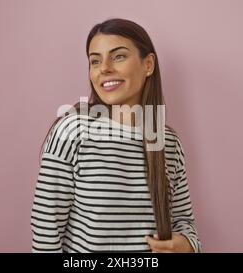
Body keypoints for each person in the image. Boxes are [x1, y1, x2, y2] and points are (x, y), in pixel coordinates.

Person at [31, 18, 201, 253]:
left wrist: (187, 245)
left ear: (148, 64)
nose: (104, 68)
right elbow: (45, 229)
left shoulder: (168, 143)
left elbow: (185, 223)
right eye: (95, 61)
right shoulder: (72, 132)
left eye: (118, 56)